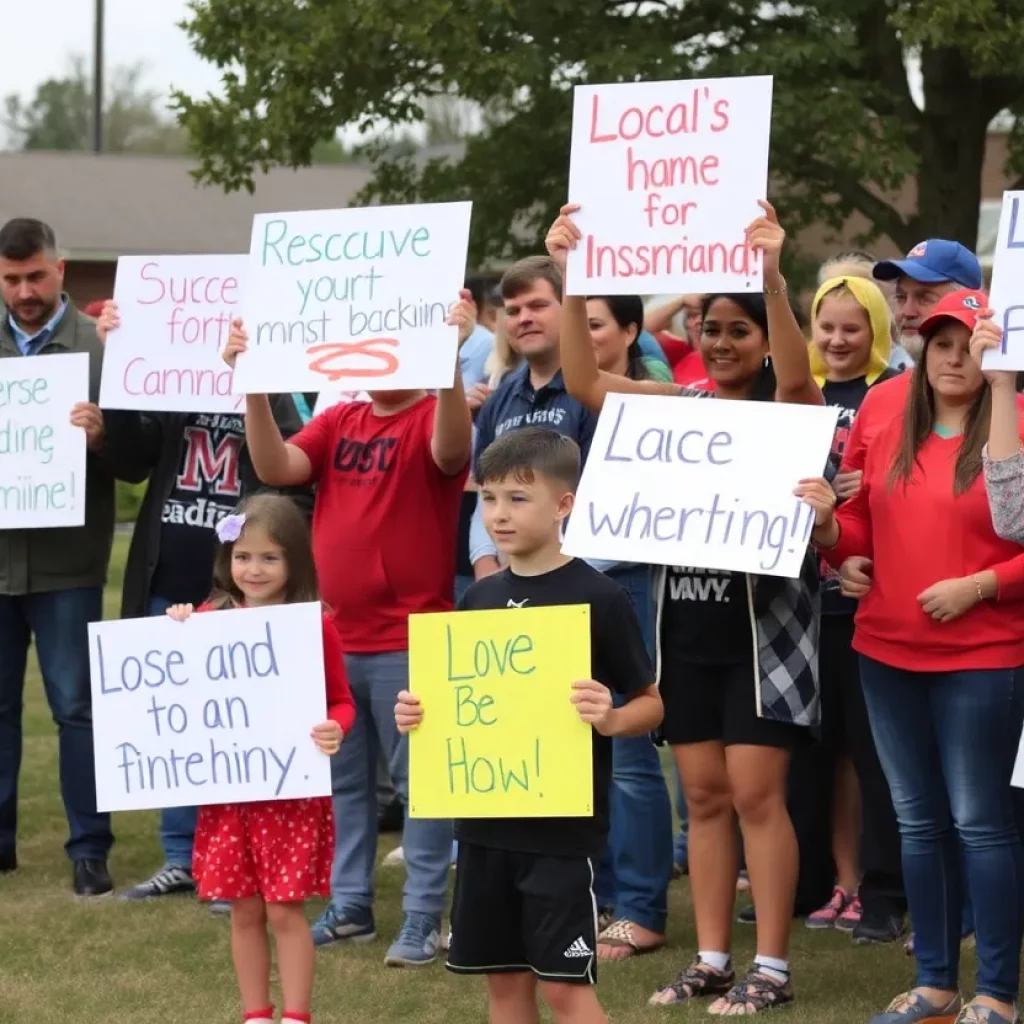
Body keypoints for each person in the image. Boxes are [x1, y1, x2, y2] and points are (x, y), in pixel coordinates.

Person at [548, 201, 823, 1014]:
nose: (723, 342)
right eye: (710, 329)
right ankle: (711, 958)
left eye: (740, 329)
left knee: (755, 797)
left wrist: (772, 278)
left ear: (765, 338)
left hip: (764, 639)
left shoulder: (788, 410)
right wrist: (574, 283)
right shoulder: (677, 410)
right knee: (701, 796)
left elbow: (804, 377)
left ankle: (770, 966)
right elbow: (583, 380)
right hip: (688, 634)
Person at [221, 292, 475, 966]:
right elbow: (277, 469)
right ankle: (351, 904)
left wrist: (448, 366)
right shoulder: (340, 418)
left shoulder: (430, 414)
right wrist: (254, 387)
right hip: (333, 637)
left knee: (423, 786)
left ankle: (422, 916)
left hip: (412, 638)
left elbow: (453, 454)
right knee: (345, 784)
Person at [800, 289, 1024, 1024]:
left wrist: (982, 585)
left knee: (981, 822)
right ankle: (935, 982)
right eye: (941, 345)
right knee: (915, 822)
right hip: (885, 650)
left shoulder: (1014, 417)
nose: (955, 358)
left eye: (969, 344)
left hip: (984, 654)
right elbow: (860, 519)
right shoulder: (886, 411)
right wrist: (838, 544)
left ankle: (995, 990)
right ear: (922, 352)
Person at [395, 427, 663, 1024]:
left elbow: (652, 702)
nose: (499, 514)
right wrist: (417, 714)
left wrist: (612, 716)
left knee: (566, 990)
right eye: (489, 498)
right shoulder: (479, 599)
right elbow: (458, 703)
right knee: (505, 987)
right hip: (485, 829)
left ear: (564, 504)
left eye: (519, 498)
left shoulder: (599, 596)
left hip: (562, 837)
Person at [470, 265, 674, 960]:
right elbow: (483, 493)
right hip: (515, 591)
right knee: (540, 740)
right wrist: (488, 567)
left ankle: (639, 906)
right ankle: (583, 893)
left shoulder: (594, 391)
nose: (523, 317)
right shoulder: (501, 395)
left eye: (540, 304)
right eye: (512, 308)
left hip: (610, 576)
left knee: (624, 753)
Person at [91, 300, 311, 907]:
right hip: (169, 576)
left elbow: (293, 469)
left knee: (237, 724)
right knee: (178, 723)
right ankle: (178, 856)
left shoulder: (267, 390)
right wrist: (119, 366)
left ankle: (234, 863)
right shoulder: (167, 387)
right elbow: (133, 461)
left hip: (242, 582)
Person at [165, 494, 356, 1024]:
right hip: (228, 796)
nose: (254, 568)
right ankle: (256, 1014)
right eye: (243, 556)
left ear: (295, 561)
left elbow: (342, 700)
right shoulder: (208, 619)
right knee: (242, 908)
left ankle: (295, 1015)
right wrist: (178, 625)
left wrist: (334, 727)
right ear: (227, 559)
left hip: (289, 796)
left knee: (283, 909)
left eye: (269, 557)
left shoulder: (313, 625)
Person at [0, 217, 118, 895]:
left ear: (61, 270)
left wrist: (103, 437)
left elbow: (136, 462)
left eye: (35, 276)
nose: (24, 292)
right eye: (12, 279)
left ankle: (89, 848)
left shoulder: (101, 350)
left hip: (68, 563)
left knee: (75, 707)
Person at [799, 276, 903, 939]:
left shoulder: (893, 397)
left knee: (872, 757)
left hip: (866, 599)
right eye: (826, 326)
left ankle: (881, 889)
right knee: (815, 754)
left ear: (876, 333)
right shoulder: (794, 394)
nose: (837, 340)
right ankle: (832, 883)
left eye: (852, 328)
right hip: (799, 602)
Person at [872, 240, 983, 370]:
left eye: (924, 299)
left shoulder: (1000, 386)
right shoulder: (885, 388)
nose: (907, 312)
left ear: (969, 304)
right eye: (901, 297)